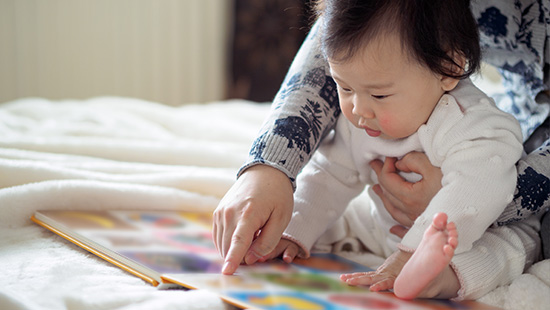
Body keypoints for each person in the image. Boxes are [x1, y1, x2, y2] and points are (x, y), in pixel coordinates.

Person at [213, 0, 547, 300]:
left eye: (379, 95)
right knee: (342, 216)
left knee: (507, 251)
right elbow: (330, 175)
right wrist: (291, 230)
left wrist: (411, 251)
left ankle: (435, 277)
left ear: (449, 68)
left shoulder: (474, 125)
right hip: (387, 223)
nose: (358, 109)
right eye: (343, 86)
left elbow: (480, 187)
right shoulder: (363, 112)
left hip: (482, 230)